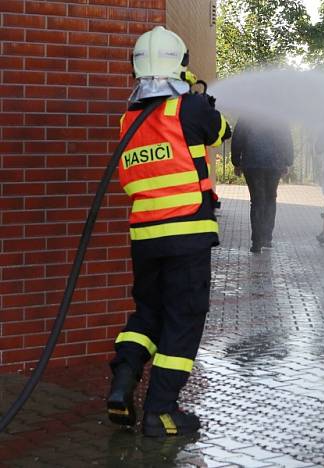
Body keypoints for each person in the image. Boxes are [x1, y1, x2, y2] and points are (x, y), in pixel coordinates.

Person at [106, 26, 231, 437]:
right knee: (184, 319)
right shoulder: (189, 109)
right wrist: (198, 93)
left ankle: (123, 383)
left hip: (144, 237)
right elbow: (222, 131)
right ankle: (160, 413)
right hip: (187, 235)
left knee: (148, 314)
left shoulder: (129, 118)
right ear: (180, 63)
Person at [231, 117, 294, 253]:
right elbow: (286, 138)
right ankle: (267, 237)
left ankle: (257, 242)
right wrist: (288, 161)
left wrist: (236, 161)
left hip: (252, 163)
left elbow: (238, 138)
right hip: (274, 163)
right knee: (270, 198)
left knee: (257, 201)